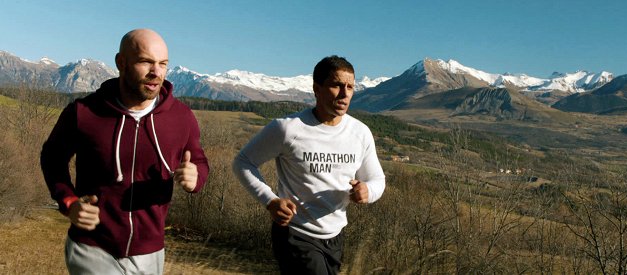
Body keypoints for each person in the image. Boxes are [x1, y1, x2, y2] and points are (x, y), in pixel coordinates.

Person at [40, 29, 209, 274]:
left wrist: (196, 177)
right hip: (92, 246)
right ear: (121, 62)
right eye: (145, 62)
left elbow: (200, 160)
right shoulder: (84, 112)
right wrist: (69, 201)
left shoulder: (181, 117)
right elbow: (52, 158)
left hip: (150, 251)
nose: (156, 72)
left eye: (163, 64)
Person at [233, 55, 386, 274]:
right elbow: (243, 162)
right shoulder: (288, 129)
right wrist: (270, 201)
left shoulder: (360, 133)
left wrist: (367, 191)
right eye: (336, 85)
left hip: (335, 236)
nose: (344, 94)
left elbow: (377, 180)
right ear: (317, 89)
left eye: (350, 87)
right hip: (295, 233)